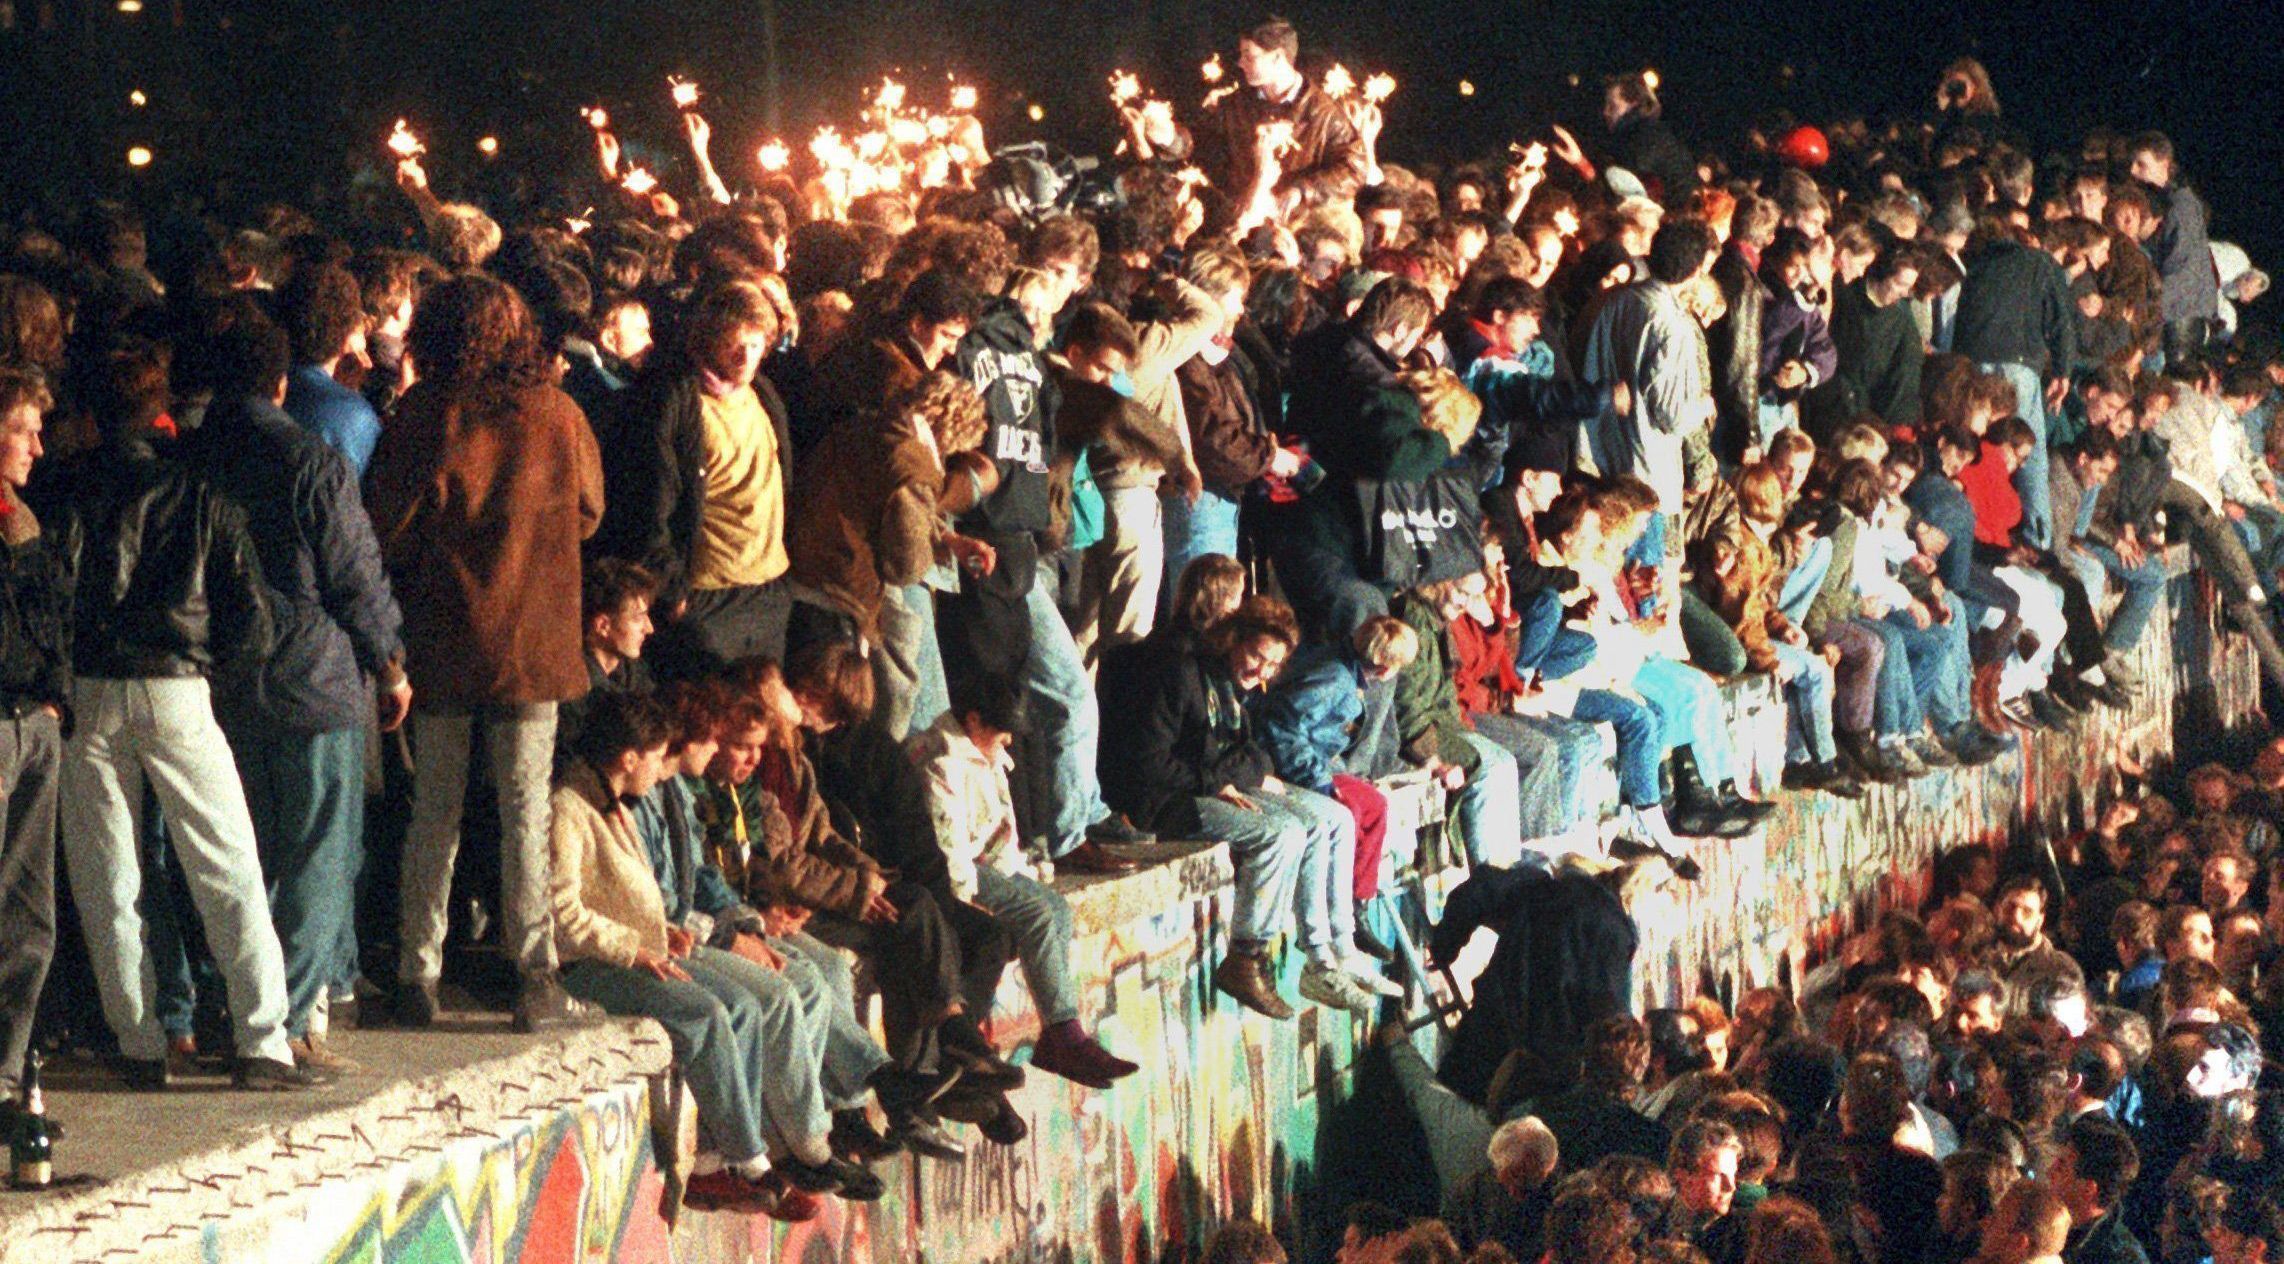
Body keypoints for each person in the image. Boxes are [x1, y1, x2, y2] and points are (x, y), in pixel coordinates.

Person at [53, 336, 322, 1090]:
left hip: (92, 689)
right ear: (161, 412)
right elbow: (253, 619)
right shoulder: (200, 494)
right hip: (178, 687)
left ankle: (138, 1042)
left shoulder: (68, 490)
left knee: (108, 879)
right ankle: (262, 1038)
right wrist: (216, 682)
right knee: (226, 865)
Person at [365, 275, 604, 1032]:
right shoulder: (560, 415)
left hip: (444, 639)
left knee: (435, 811)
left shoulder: (427, 413)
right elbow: (591, 513)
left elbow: (386, 523)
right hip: (533, 644)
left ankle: (416, 974)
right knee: (524, 813)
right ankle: (535, 978)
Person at [183, 309, 408, 1072]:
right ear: (281, 381)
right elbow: (354, 573)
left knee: (239, 856)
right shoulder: (310, 458)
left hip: (221, 680)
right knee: (317, 853)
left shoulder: (193, 458)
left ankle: (234, 1004)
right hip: (313, 679)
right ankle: (288, 1022)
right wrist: (389, 661)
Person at [545, 689, 868, 1218]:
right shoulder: (571, 808)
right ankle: (744, 1162)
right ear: (630, 758)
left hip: (641, 948)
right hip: (591, 965)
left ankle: (724, 1158)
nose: (660, 771)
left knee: (744, 1005)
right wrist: (633, 948)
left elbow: (631, 895)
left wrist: (665, 930)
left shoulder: (612, 802)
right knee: (706, 1014)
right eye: (655, 757)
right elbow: (563, 915)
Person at [905, 676, 1140, 1089]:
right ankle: (1066, 1035)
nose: (1009, 740)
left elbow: (1000, 828)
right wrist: (965, 905)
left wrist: (1020, 873)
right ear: (973, 720)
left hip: (982, 861)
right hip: (946, 869)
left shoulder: (984, 750)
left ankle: (1057, 1032)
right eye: (1002, 730)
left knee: (1056, 909)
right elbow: (950, 851)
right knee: (1033, 913)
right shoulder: (941, 759)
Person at [596, 277, 797, 674]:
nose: (745, 358)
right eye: (735, 345)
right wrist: (673, 592)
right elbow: (651, 502)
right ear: (708, 340)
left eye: (756, 346)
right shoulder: (672, 401)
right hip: (707, 597)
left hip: (767, 591)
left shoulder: (764, 395)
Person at [0, 368, 70, 1126]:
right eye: (23, 430)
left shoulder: (24, 518)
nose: (38, 447)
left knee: (27, 914)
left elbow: (53, 613)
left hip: (33, 724)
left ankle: (7, 1075)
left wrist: (56, 701)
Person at [1192, 17, 1368, 217]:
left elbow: (1354, 169)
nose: (1241, 63)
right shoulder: (1234, 105)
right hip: (1243, 221)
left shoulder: (1324, 114)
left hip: (1296, 226)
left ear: (1277, 57)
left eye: (1249, 56)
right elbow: (1205, 152)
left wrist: (1303, 191)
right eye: (1241, 55)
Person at [554, 557, 657, 763]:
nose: (649, 628)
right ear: (603, 625)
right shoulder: (572, 692)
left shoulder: (635, 676)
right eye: (638, 618)